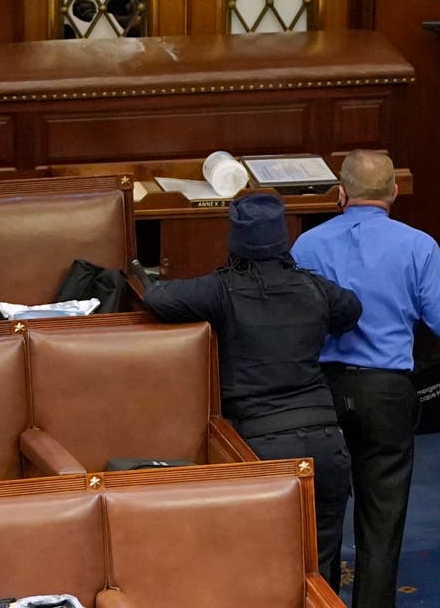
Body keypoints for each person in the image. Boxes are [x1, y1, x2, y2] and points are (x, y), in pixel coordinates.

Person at [141, 192, 360, 592]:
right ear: (283, 239)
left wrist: (141, 275)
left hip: (260, 447)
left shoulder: (222, 290)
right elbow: (351, 309)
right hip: (326, 444)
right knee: (320, 569)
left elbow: (158, 299)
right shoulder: (314, 288)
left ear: (236, 240)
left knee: (262, 570)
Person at [291, 149, 440, 608]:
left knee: (321, 514)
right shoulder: (418, 245)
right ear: (393, 193)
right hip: (386, 393)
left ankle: (321, 599)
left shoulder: (305, 247)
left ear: (340, 194)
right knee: (382, 516)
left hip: (319, 392)